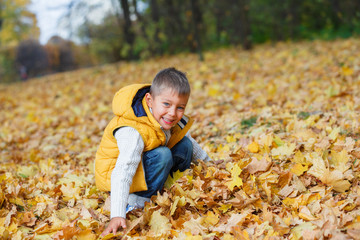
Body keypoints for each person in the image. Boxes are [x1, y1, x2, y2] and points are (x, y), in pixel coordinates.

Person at [95, 67, 210, 236]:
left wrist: (211, 165)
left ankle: (170, 190)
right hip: (123, 184)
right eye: (166, 104)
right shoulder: (132, 130)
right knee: (162, 154)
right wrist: (117, 214)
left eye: (180, 107)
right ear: (149, 100)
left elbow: (189, 142)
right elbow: (122, 171)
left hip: (145, 170)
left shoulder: (164, 118)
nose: (172, 113)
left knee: (185, 144)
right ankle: (139, 202)